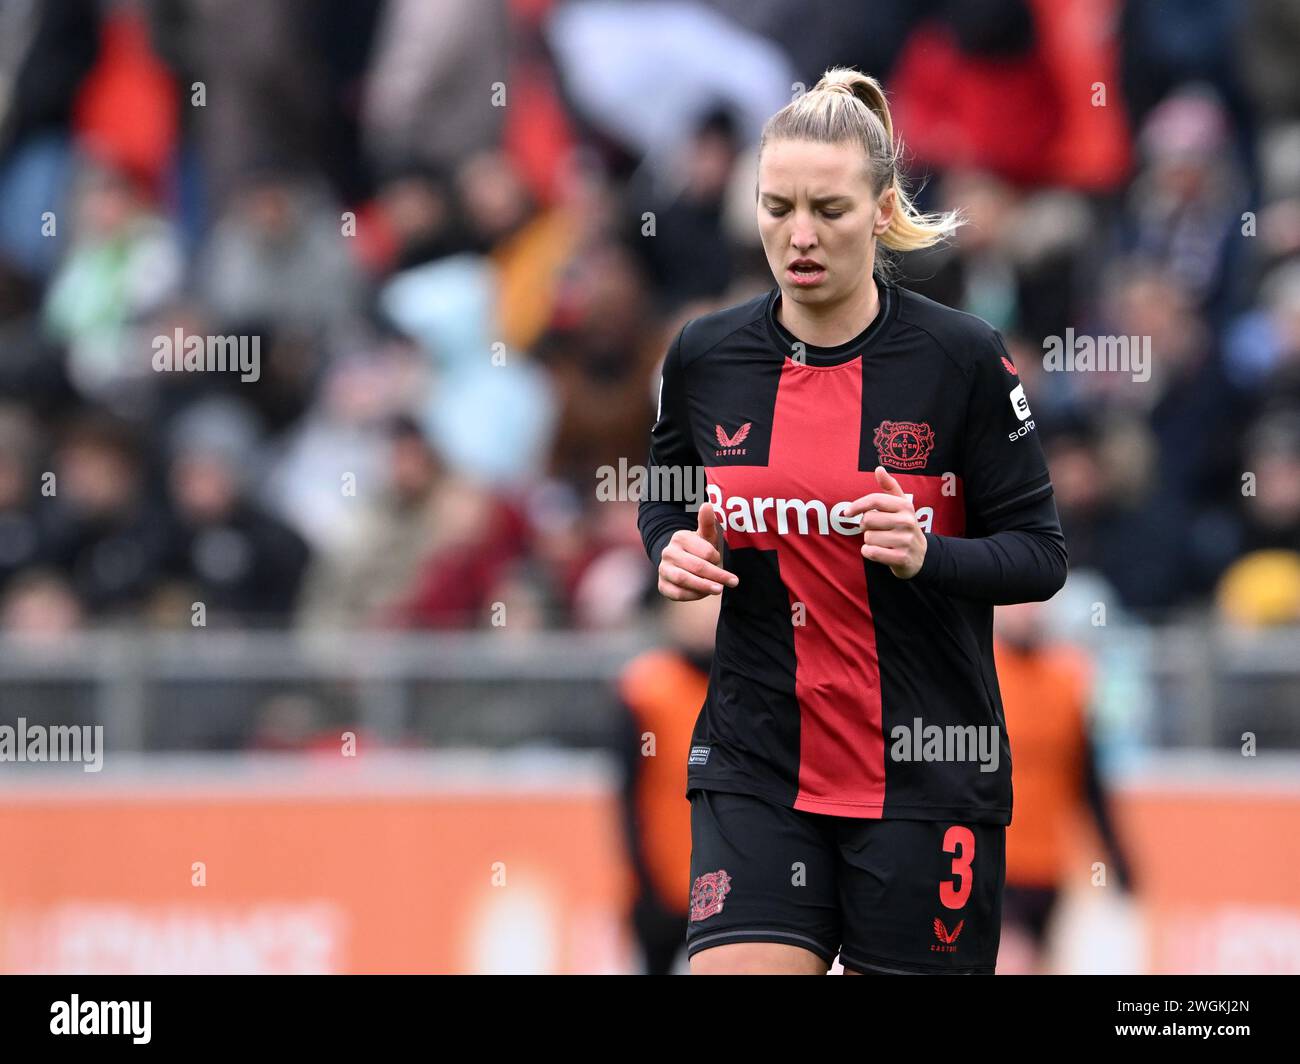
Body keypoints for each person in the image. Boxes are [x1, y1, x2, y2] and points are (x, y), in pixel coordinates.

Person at [637, 67, 1068, 975]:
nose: (799, 235)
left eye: (829, 209)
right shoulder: (705, 357)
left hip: (927, 773)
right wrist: (669, 547)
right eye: (776, 205)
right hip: (757, 762)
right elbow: (666, 489)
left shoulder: (961, 360)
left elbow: (1040, 555)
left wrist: (927, 555)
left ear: (880, 210)